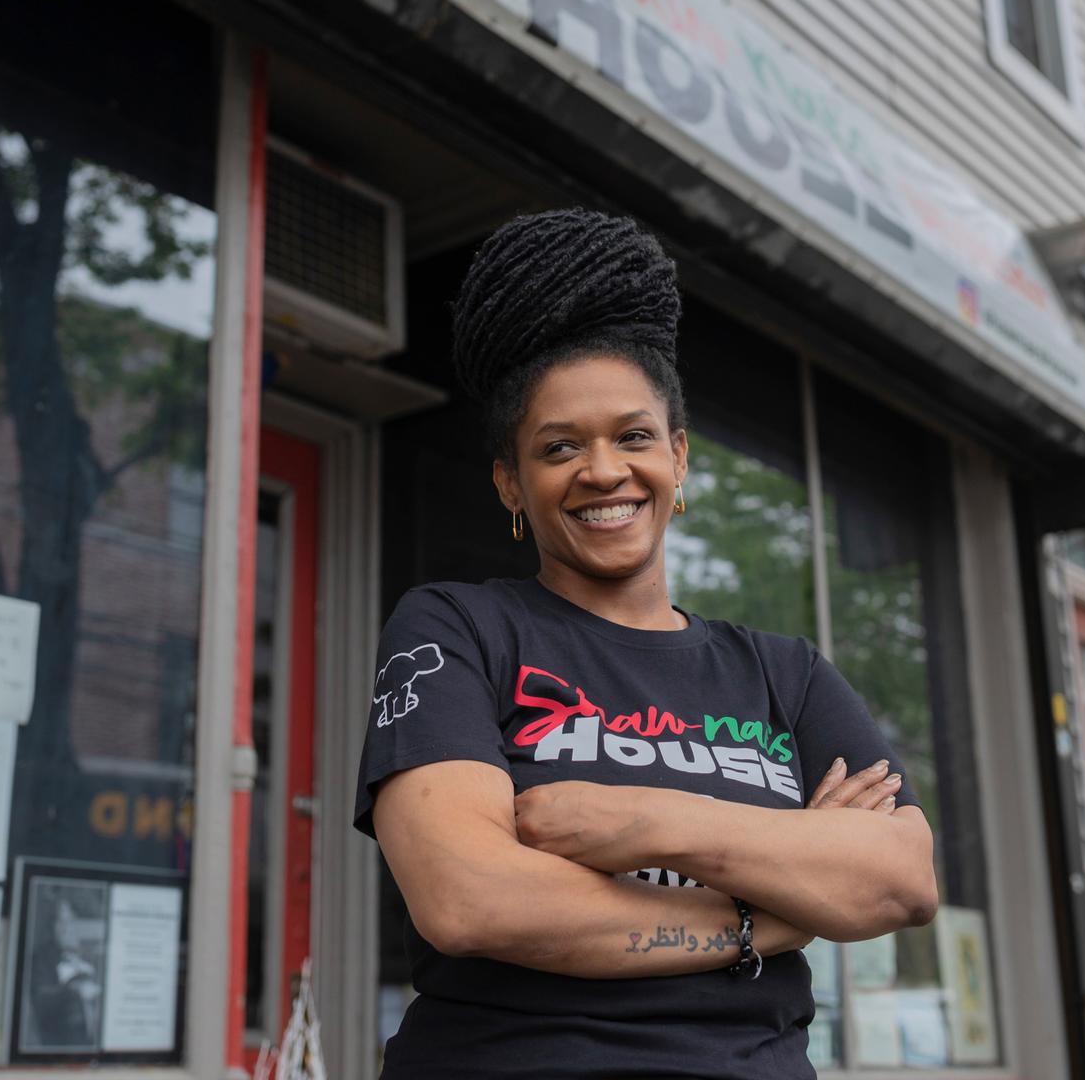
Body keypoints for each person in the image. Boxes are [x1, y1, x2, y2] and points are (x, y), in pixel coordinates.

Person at [356, 209, 938, 1078]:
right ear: (510, 483)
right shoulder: (458, 629)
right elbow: (469, 900)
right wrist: (769, 910)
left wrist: (641, 822)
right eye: (559, 447)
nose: (603, 470)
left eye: (633, 436)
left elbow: (901, 880)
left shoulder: (786, 675)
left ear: (679, 456)